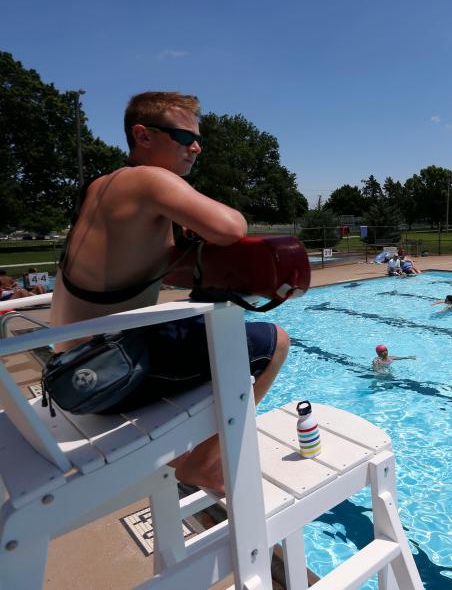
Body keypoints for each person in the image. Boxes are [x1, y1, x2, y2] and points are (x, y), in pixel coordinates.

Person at [48, 91, 290, 496]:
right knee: (275, 342)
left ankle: (191, 446)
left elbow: (151, 269)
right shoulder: (149, 179)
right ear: (143, 136)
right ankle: (204, 463)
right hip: (109, 376)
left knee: (202, 328)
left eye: (197, 138)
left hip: (72, 366)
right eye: (183, 136)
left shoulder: (101, 187)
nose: (195, 146)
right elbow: (232, 228)